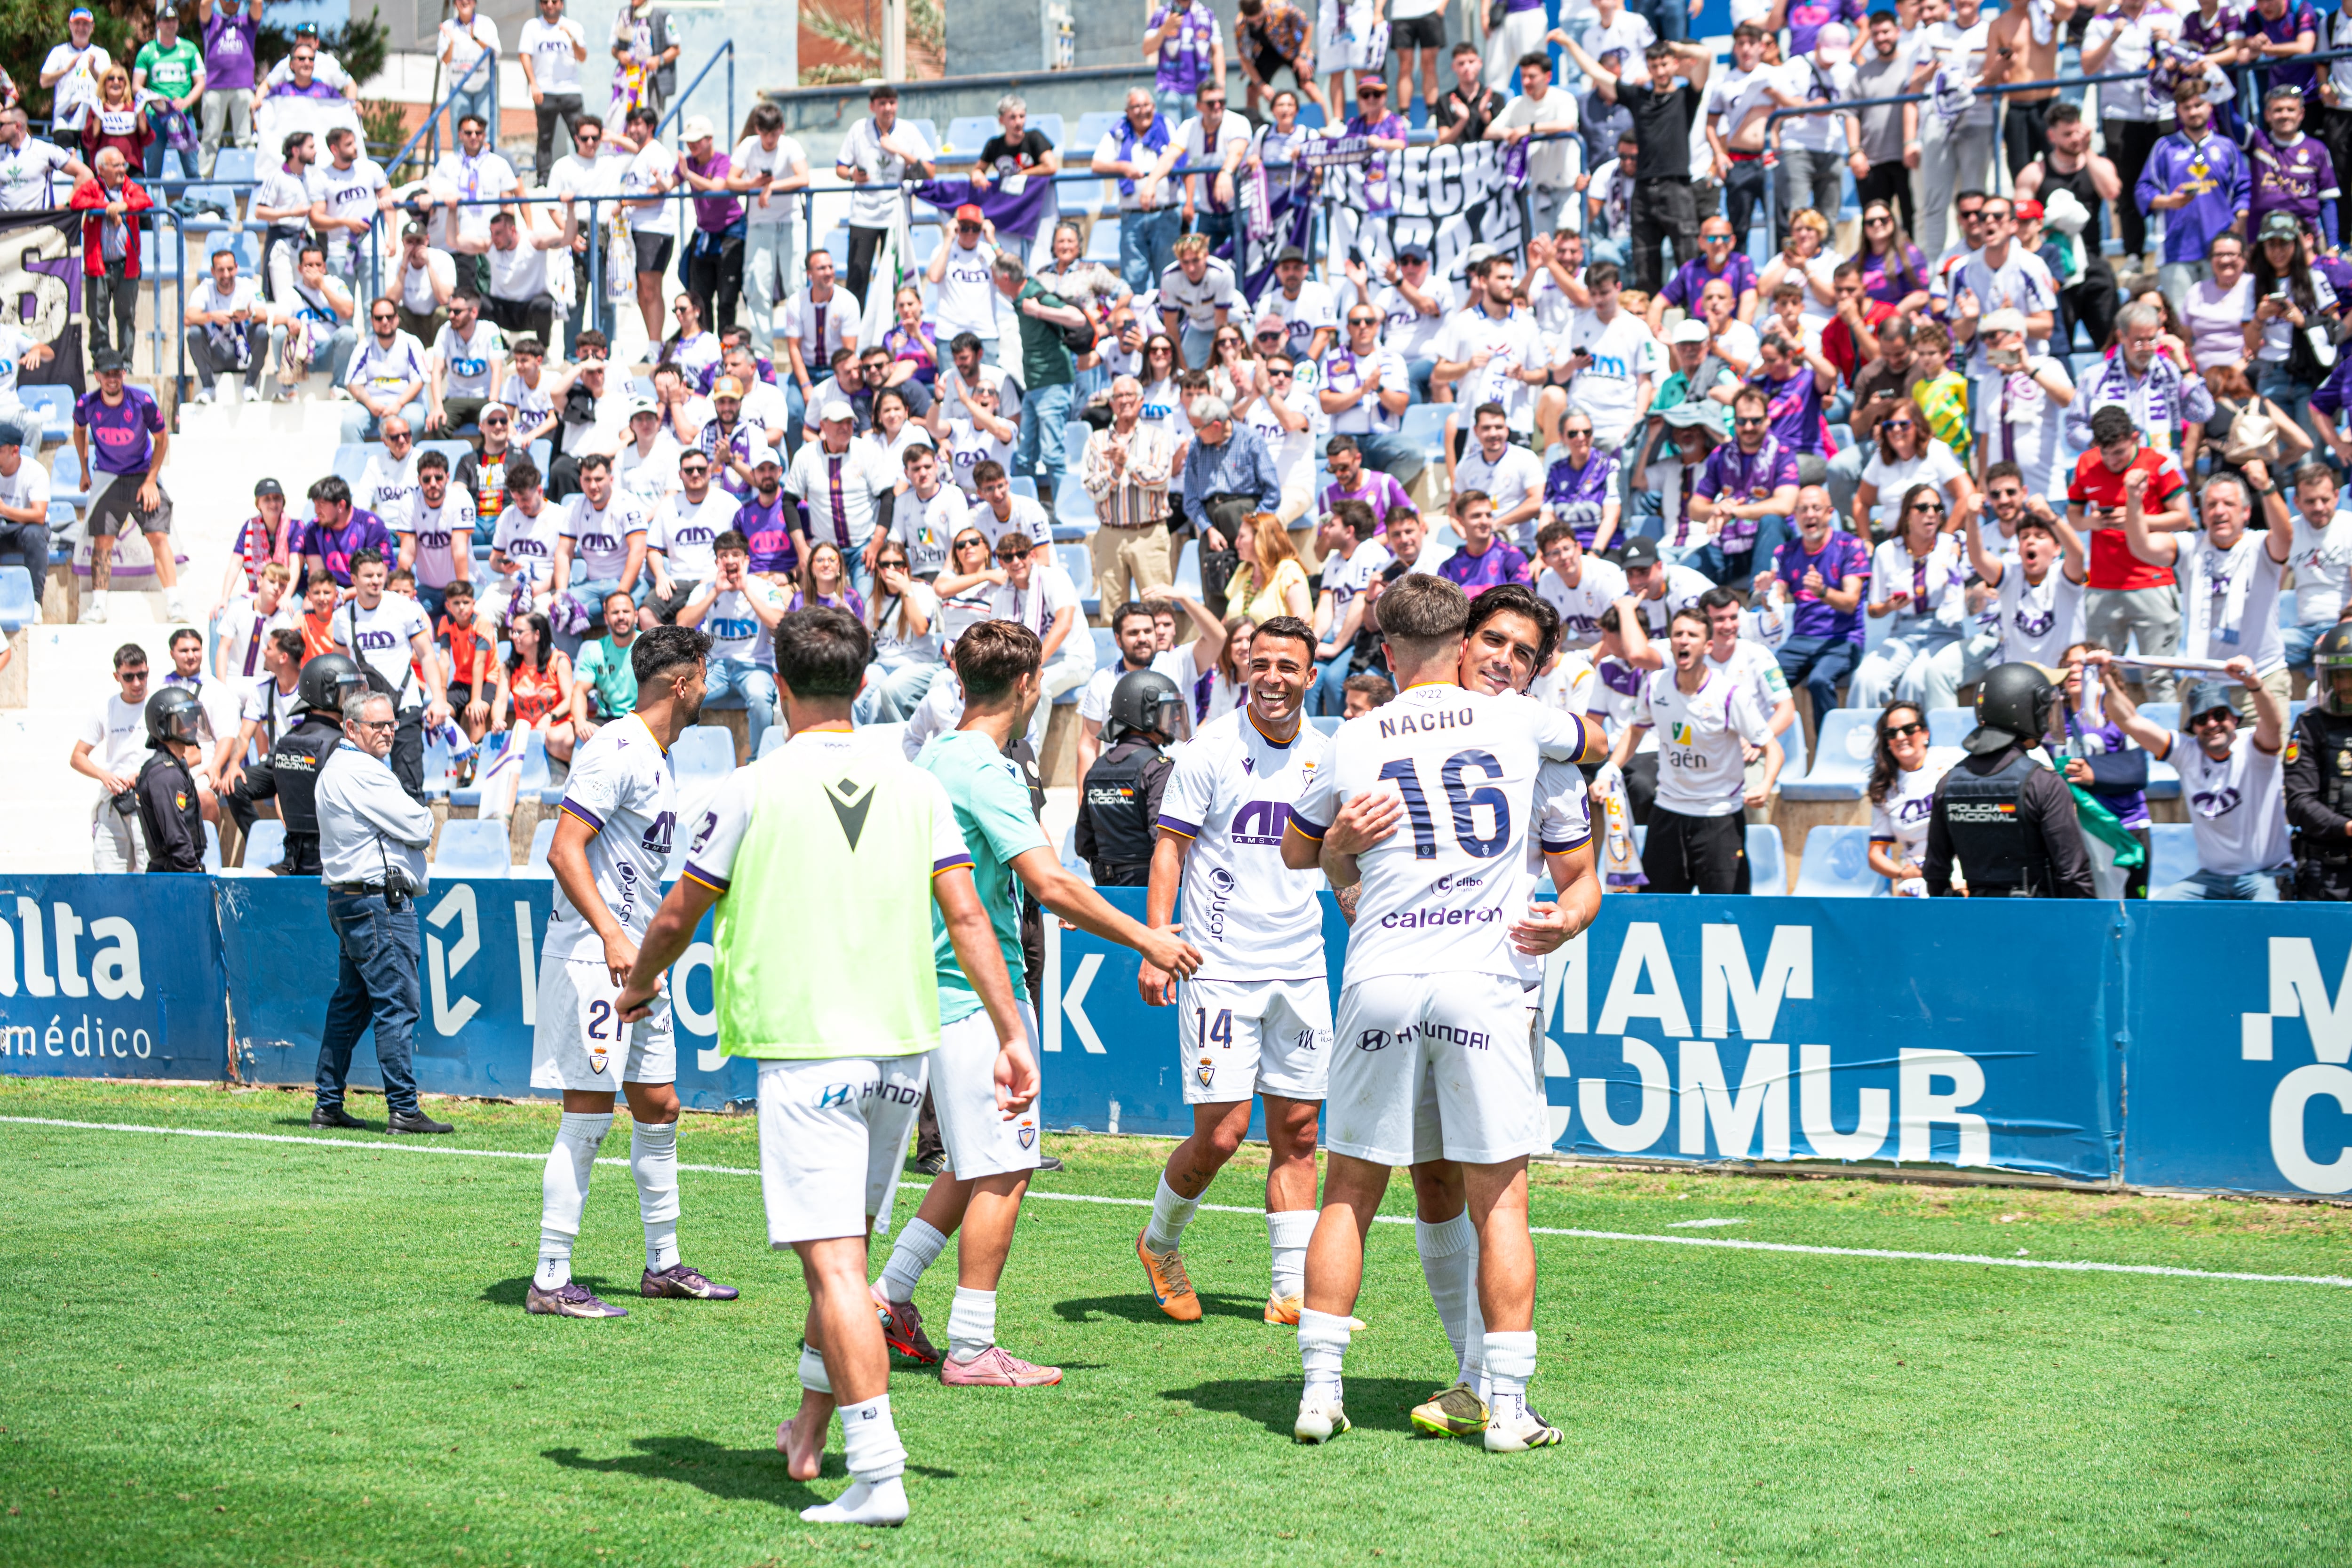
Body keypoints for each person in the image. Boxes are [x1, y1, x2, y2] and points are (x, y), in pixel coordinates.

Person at [615, 608, 1031, 1528]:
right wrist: (1009, 1030)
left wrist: (638, 985)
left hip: (809, 1054)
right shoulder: (913, 785)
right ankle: (808, 1425)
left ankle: (879, 1473)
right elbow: (968, 918)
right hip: (902, 1054)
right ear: (864, 676)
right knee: (842, 1257)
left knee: (839, 1270)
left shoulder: (751, 786)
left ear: (778, 679)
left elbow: (679, 914)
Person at [1280, 573, 1603, 1451]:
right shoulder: (1520, 723)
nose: (1502, 662)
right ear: (1463, 642)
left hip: (1381, 971)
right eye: (1492, 645)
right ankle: (1505, 1405)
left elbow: (1294, 848)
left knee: (1347, 1188)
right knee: (1500, 1198)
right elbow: (1598, 737)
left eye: (1521, 654)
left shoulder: (1351, 736)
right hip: (1479, 975)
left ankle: (1318, 1393)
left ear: (1382, 651)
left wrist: (1336, 850)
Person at [524, 621, 736, 1317]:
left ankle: (663, 1264)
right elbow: (564, 849)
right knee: (588, 1117)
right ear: (682, 683)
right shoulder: (615, 747)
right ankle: (551, 1278)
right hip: (597, 958)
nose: (709, 685)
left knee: (660, 1105)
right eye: (703, 674)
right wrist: (614, 935)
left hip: (639, 961)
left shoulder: (658, 753)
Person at [313, 688, 454, 1135]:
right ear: (351, 728)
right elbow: (419, 825)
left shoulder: (339, 767)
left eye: (392, 723)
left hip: (350, 898)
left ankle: (328, 1103)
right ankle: (403, 1108)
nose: (389, 732)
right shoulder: (364, 771)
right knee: (397, 1004)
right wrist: (419, 822)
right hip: (379, 902)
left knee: (350, 1006)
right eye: (378, 725)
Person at [1609, 603, 1780, 891]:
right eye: (1678, 634)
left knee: (1726, 915)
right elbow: (1635, 732)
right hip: (1668, 812)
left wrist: (1765, 785)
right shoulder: (1655, 685)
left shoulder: (1730, 695)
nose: (1684, 640)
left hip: (1720, 816)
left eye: (1692, 635)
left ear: (1709, 645)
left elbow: (1773, 749)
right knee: (1657, 912)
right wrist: (1610, 770)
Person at [2103, 659, 2292, 899]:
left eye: (2219, 714)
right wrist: (2107, 678)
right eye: (2202, 719)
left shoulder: (2254, 748)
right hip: (2211, 879)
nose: (2212, 724)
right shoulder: (2187, 753)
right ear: (2193, 727)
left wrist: (2254, 684)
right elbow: (2129, 721)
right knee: (2161, 910)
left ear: (2234, 718)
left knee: (2270, 917)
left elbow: (2274, 724)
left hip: (2264, 875)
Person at [1921, 661, 2096, 897]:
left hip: (1978, 923)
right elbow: (2074, 874)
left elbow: (1935, 873)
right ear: (2026, 711)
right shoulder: (2044, 784)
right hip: (2037, 924)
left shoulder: (1948, 783)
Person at [2070, 404, 2192, 700]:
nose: (2113, 460)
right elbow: (2074, 516)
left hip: (2153, 581)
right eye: (2106, 453)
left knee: (2159, 677)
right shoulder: (2085, 464)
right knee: (2098, 675)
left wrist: (2135, 518)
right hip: (2102, 585)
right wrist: (2092, 522)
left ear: (2135, 437)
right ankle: (2103, 739)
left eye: (2121, 452)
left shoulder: (2159, 464)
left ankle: (2167, 744)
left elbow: (2184, 517)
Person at [331, 548, 453, 801]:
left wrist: (439, 699)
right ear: (354, 579)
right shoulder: (343, 617)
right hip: (366, 716)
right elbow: (341, 667)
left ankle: (419, 841)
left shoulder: (403, 607)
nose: (375, 581)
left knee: (410, 785)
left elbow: (428, 655)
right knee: (364, 788)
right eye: (368, 576)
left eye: (379, 574)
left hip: (404, 708)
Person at [75, 350, 180, 623]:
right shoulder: (87, 404)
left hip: (142, 473)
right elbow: (78, 430)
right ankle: (99, 606)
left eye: (117, 373)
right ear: (97, 375)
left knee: (159, 536)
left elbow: (162, 439)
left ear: (124, 373)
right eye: (106, 373)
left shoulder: (142, 402)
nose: (112, 379)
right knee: (102, 541)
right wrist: (85, 470)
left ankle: (175, 602)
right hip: (108, 475)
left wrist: (150, 481)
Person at [1757, 485, 1868, 732]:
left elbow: (1851, 603)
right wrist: (1766, 592)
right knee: (1765, 682)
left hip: (1843, 640)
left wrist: (1823, 592)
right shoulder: (1786, 552)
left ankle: (1829, 752)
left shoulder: (1850, 546)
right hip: (1801, 641)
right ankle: (1762, 749)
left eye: (1816, 508)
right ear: (1795, 515)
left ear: (1830, 513)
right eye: (1804, 509)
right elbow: (1778, 600)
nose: (1810, 515)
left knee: (1819, 681)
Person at [677, 529, 784, 754]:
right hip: (717, 669)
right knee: (684, 696)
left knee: (759, 699)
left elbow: (778, 623)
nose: (729, 560)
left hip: (755, 667)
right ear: (717, 562)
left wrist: (746, 589)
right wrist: (715, 592)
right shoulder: (706, 589)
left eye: (735, 554)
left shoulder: (765, 588)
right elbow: (683, 623)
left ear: (746, 560)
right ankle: (685, 757)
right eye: (724, 555)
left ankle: (759, 760)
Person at [834, 83, 935, 306]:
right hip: (864, 215)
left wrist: (897, 150)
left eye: (892, 103)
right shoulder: (859, 129)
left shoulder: (908, 131)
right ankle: (856, 334)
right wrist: (852, 175)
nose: (888, 108)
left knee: (897, 277)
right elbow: (841, 168)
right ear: (873, 106)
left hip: (897, 215)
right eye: (882, 103)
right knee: (858, 275)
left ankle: (897, 331)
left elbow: (930, 170)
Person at [73, 644, 159, 871]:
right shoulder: (106, 708)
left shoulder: (160, 705)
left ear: (148, 671)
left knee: (148, 872)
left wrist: (146, 773)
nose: (137, 683)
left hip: (150, 799)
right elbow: (78, 757)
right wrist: (104, 776)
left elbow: (190, 754)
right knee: (108, 874)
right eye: (129, 677)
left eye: (142, 675)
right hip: (115, 800)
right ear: (117, 676)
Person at [2286, 623, 2352, 899]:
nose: (2346, 686)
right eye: (2339, 677)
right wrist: (2347, 827)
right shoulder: (2310, 727)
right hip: (2329, 869)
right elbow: (2300, 803)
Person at [1865, 700, 1953, 896]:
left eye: (1909, 729)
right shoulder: (1886, 787)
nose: (1901, 737)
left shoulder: (1951, 761)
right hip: (1919, 873)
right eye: (1892, 733)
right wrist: (1904, 873)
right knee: (1908, 899)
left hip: (1959, 863)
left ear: (1925, 733)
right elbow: (1875, 855)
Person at [131, 686, 207, 873]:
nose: (195, 724)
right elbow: (176, 837)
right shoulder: (166, 775)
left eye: (195, 717)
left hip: (175, 873)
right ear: (164, 724)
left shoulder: (173, 766)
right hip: (175, 876)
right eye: (186, 719)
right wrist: (192, 876)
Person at [398, 450, 479, 623]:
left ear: (448, 477)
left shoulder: (461, 498)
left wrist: (461, 594)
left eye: (439, 478)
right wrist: (403, 592)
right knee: (407, 618)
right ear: (419, 480)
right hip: (428, 589)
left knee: (472, 621)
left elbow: (459, 551)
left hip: (462, 583)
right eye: (427, 479)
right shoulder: (409, 502)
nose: (433, 484)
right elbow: (407, 553)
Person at [519, 0, 589, 179]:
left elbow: (582, 57)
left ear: (562, 4)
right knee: (544, 136)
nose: (550, 5)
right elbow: (525, 55)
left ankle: (585, 173)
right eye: (545, 2)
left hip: (570, 89)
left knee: (580, 134)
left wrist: (572, 38)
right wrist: (533, 84)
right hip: (545, 90)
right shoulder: (532, 26)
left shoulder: (572, 26)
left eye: (554, 1)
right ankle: (543, 177)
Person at [197, 0, 260, 176]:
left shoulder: (248, 21)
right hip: (215, 87)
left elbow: (258, 4)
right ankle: (203, 180)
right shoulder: (212, 21)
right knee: (210, 138)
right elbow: (203, 5)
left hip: (243, 87)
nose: (231, 2)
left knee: (245, 139)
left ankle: (248, 177)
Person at [439, 0, 501, 136]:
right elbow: (445, 60)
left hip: (483, 87)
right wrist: (451, 42)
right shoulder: (448, 26)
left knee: (485, 133)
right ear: (455, 3)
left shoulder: (486, 24)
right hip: (459, 88)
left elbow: (496, 54)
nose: (465, 1)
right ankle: (462, 157)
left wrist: (476, 38)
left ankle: (486, 156)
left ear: (475, 3)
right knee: (461, 134)